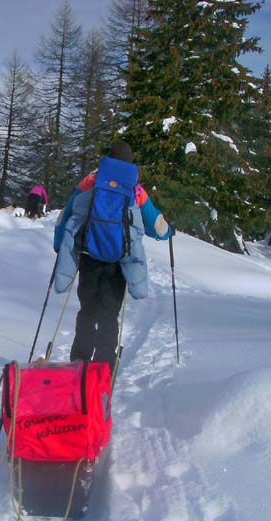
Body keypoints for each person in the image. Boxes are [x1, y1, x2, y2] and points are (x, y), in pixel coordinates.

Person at [53, 141, 171, 371]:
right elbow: (157, 226)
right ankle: (104, 366)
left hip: (89, 257)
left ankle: (79, 360)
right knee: (109, 314)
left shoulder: (90, 182)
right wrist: (168, 231)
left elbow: (65, 217)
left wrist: (60, 245)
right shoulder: (134, 188)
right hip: (118, 262)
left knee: (87, 309)